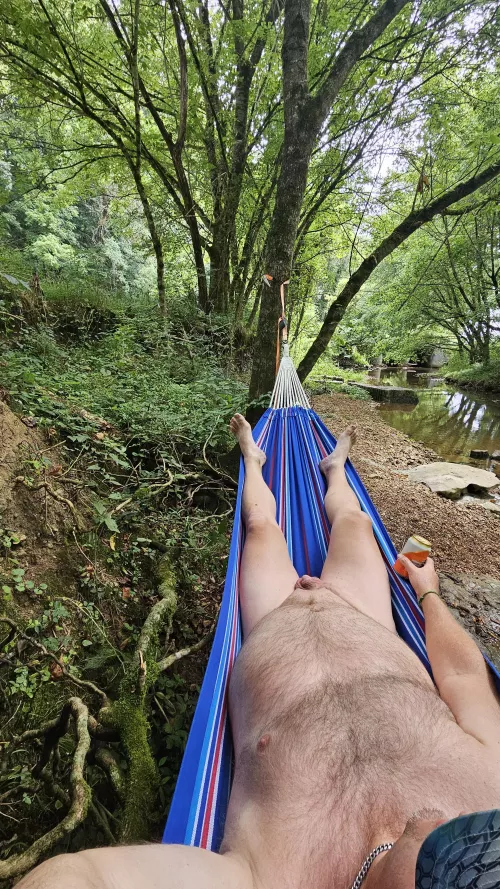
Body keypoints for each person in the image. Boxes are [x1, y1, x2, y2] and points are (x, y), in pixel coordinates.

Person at [19, 415, 500, 889]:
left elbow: (85, 876)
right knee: (355, 521)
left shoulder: (272, 877)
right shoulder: (490, 793)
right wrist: (427, 592)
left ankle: (253, 458)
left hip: (273, 621)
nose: (479, 849)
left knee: (261, 526)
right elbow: (463, 677)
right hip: (367, 614)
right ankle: (335, 467)